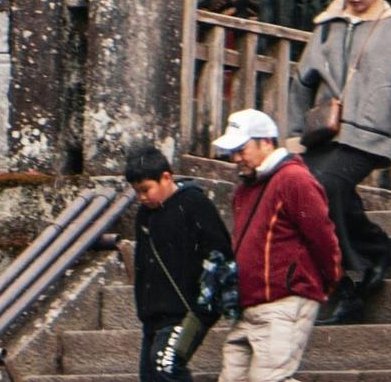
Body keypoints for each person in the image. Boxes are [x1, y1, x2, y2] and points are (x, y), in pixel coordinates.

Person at [291, 0, 391, 319]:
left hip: (371, 130)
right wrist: (292, 131)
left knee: (329, 184)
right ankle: (371, 248)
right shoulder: (327, 25)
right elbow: (303, 80)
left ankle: (354, 272)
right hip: (327, 131)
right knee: (306, 186)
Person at [217, 106, 341, 382]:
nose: (236, 158)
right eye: (232, 151)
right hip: (251, 305)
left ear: (266, 142)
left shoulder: (294, 179)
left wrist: (326, 281)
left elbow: (322, 236)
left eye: (241, 149)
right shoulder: (245, 189)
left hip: (285, 300)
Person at [122, 140, 235, 382]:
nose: (141, 197)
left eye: (146, 189)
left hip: (184, 311)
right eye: (136, 191)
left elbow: (220, 253)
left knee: (167, 366)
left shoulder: (194, 203)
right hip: (153, 314)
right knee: (151, 375)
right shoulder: (145, 214)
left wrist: (205, 304)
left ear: (166, 177)